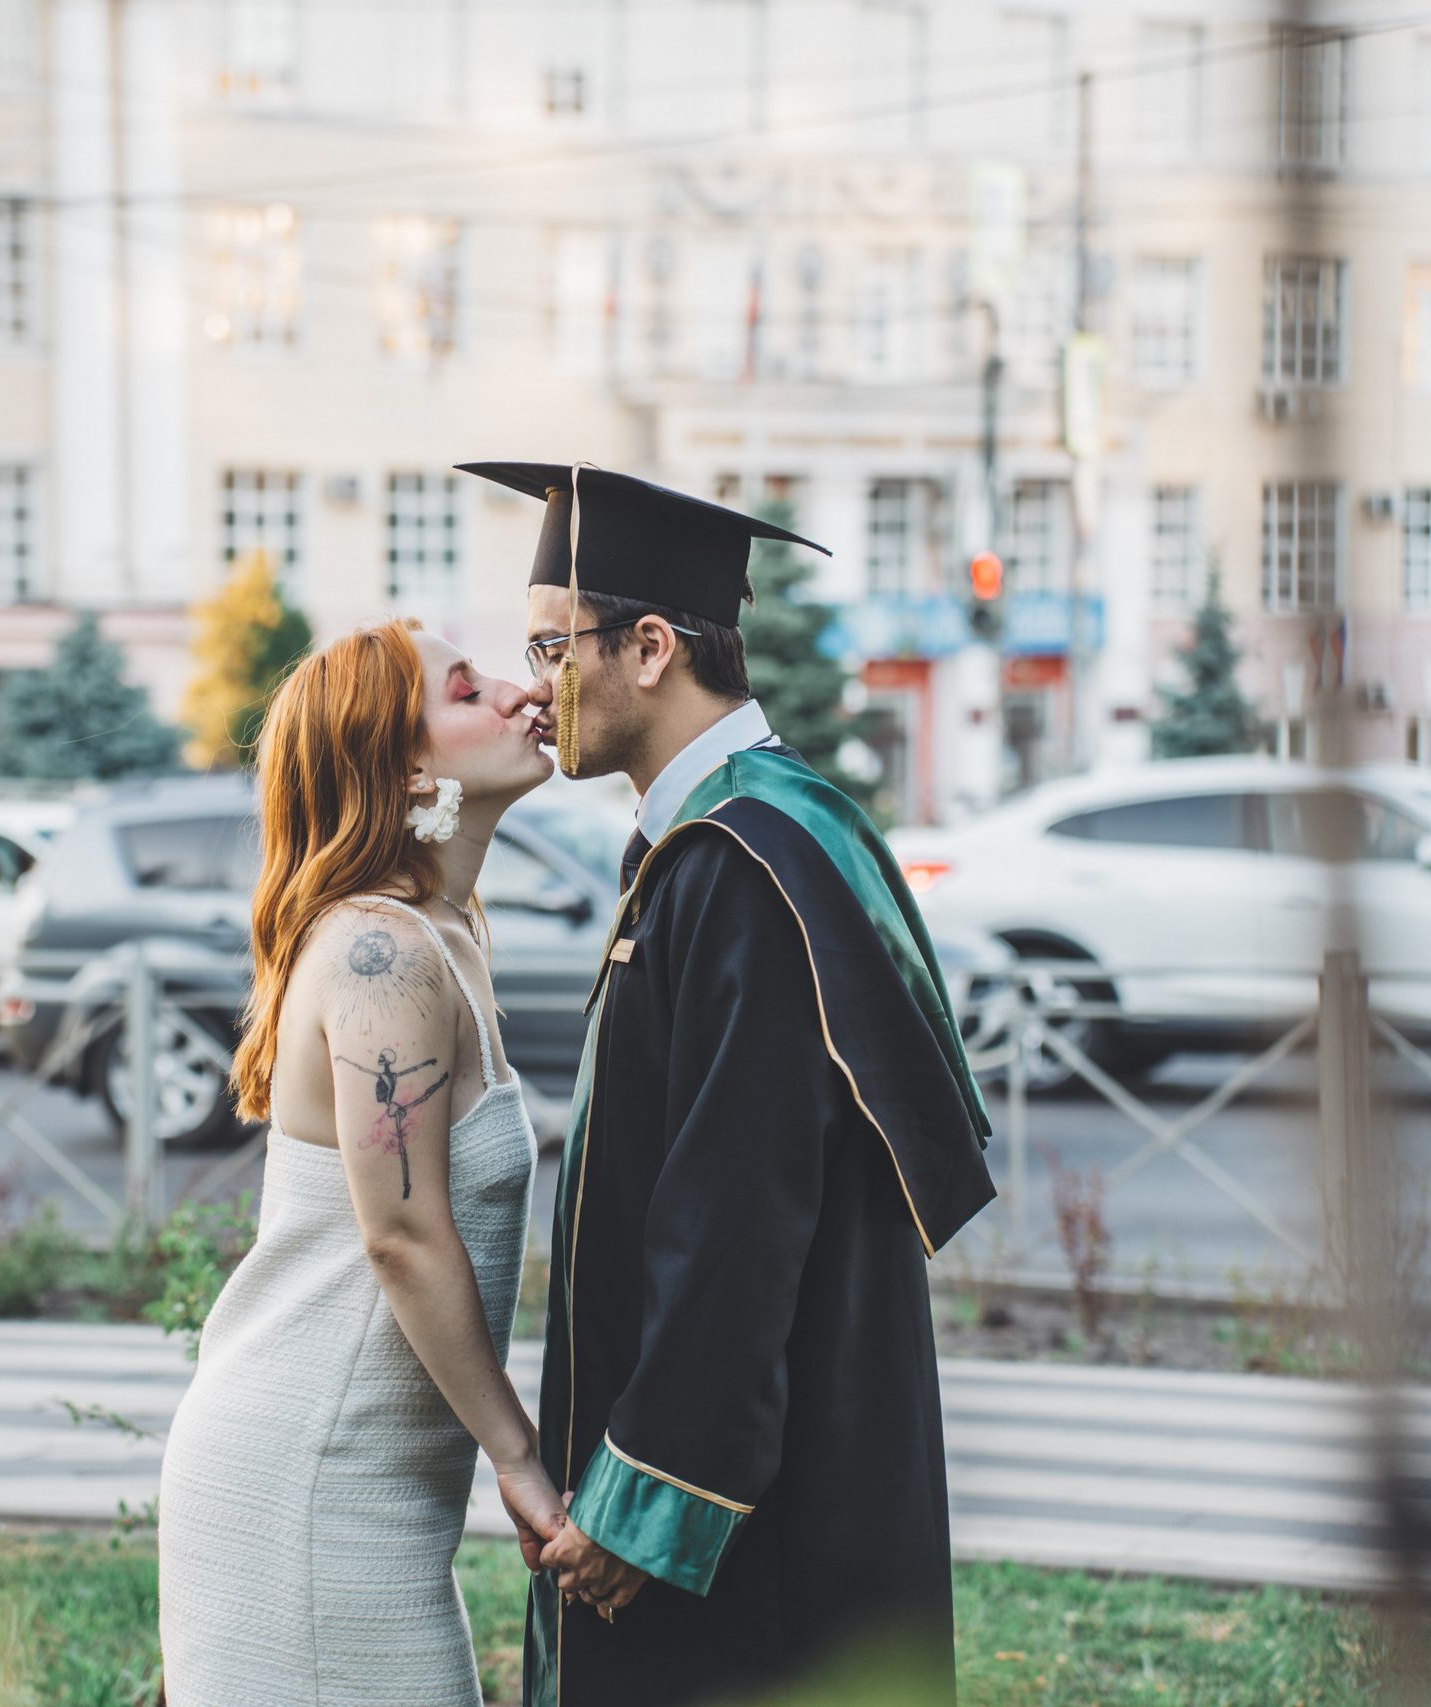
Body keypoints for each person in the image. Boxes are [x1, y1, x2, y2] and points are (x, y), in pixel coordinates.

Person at [452, 460, 1000, 1706]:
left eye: (552, 647)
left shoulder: (740, 864)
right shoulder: (769, 829)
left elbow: (736, 1213)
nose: (536, 688)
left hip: (752, 1494)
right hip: (791, 1426)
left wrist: (650, 1496)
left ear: (648, 647)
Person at [156, 620, 571, 1706]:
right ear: (406, 765)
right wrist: (517, 1457)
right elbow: (402, 1233)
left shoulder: (442, 929)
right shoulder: (375, 952)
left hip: (363, 1474)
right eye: (467, 690)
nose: (526, 692)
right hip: (308, 1477)